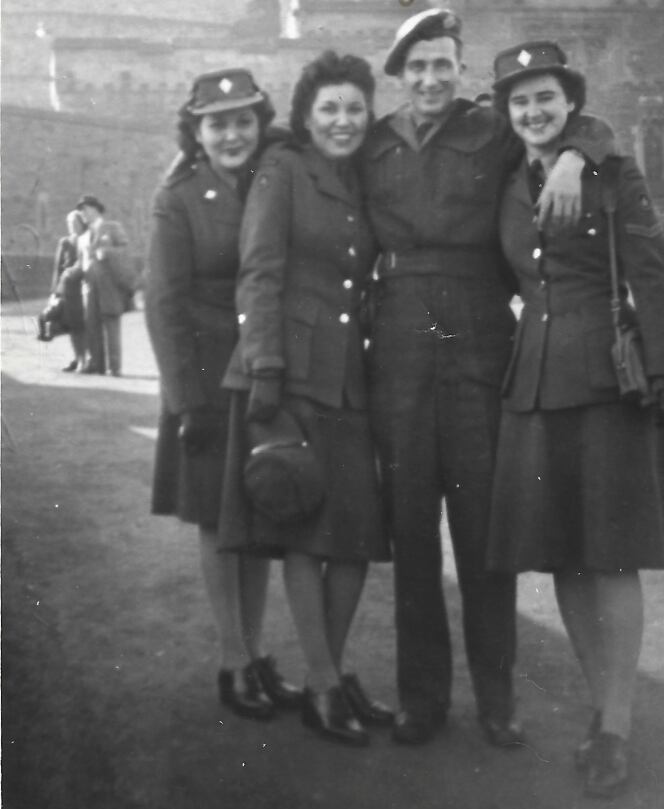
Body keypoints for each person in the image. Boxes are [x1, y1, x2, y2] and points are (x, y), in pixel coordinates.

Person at [361, 8, 617, 748]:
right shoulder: (374, 145)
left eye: (444, 64)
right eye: (418, 67)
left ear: (459, 71)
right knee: (411, 534)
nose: (433, 78)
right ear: (400, 76)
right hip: (400, 347)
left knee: (484, 538)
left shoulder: (493, 130)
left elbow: (579, 123)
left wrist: (574, 157)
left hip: (477, 341)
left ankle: (497, 699)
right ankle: (422, 699)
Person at [485, 41, 664, 798]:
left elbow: (651, 270)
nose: (533, 112)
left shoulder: (610, 170)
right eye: (520, 102)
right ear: (506, 113)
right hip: (535, 379)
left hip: (609, 380)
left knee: (612, 554)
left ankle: (616, 722)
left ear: (570, 102)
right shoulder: (507, 180)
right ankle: (598, 702)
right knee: (564, 555)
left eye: (545, 97)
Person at [220, 51, 393, 748]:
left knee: (353, 537)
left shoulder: (361, 177)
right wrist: (265, 369)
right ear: (306, 115)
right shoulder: (282, 169)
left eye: (355, 108)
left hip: (349, 375)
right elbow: (258, 270)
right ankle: (323, 684)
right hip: (288, 373)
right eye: (330, 109)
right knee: (303, 530)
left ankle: (333, 668)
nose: (344, 121)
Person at [144, 68, 301, 721]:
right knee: (216, 521)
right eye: (218, 122)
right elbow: (162, 305)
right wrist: (187, 403)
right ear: (197, 130)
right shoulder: (177, 197)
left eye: (243, 119)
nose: (232, 133)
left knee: (261, 510)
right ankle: (233, 659)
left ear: (259, 123)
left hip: (265, 369)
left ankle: (259, 651)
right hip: (207, 382)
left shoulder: (278, 172)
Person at [75, 195, 130, 376]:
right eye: (81, 210)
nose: (82, 213)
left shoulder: (112, 228)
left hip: (109, 287)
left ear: (94, 209)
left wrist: (106, 252)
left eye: (84, 209)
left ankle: (115, 367)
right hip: (89, 288)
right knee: (92, 325)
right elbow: (81, 262)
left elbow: (125, 250)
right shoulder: (83, 236)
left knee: (111, 325)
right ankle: (97, 365)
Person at [50, 210, 88, 371]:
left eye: (76, 223)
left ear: (82, 223)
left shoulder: (87, 240)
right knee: (72, 326)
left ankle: (85, 359)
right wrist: (54, 292)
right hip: (67, 291)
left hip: (83, 290)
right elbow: (58, 269)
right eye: (70, 223)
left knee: (84, 327)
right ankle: (77, 358)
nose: (73, 226)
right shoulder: (65, 242)